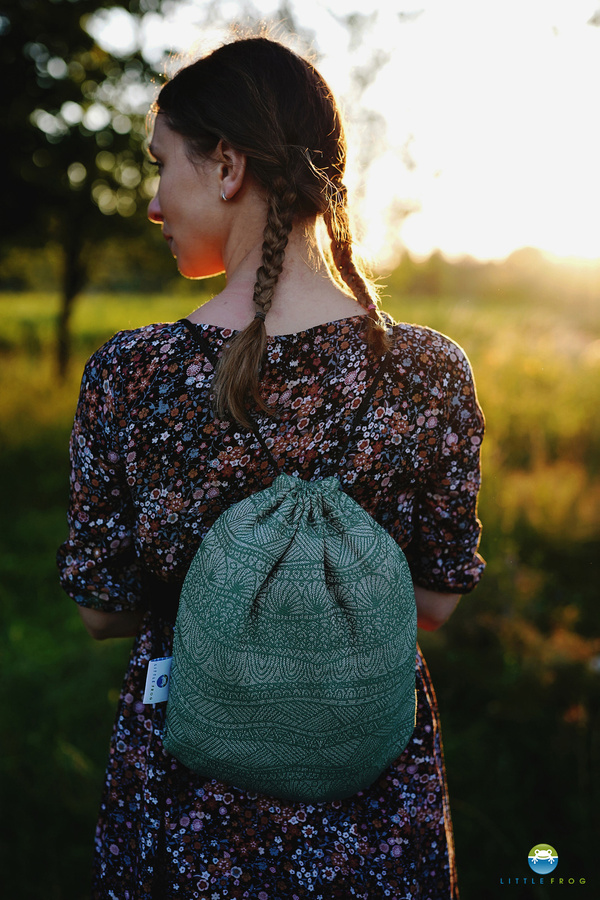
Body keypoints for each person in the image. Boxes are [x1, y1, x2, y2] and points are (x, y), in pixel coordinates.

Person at [57, 35, 485, 900]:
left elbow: (102, 614)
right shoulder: (431, 372)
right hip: (372, 820)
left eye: (159, 164)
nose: (151, 200)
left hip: (185, 818)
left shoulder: (133, 375)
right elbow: (436, 602)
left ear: (226, 165)